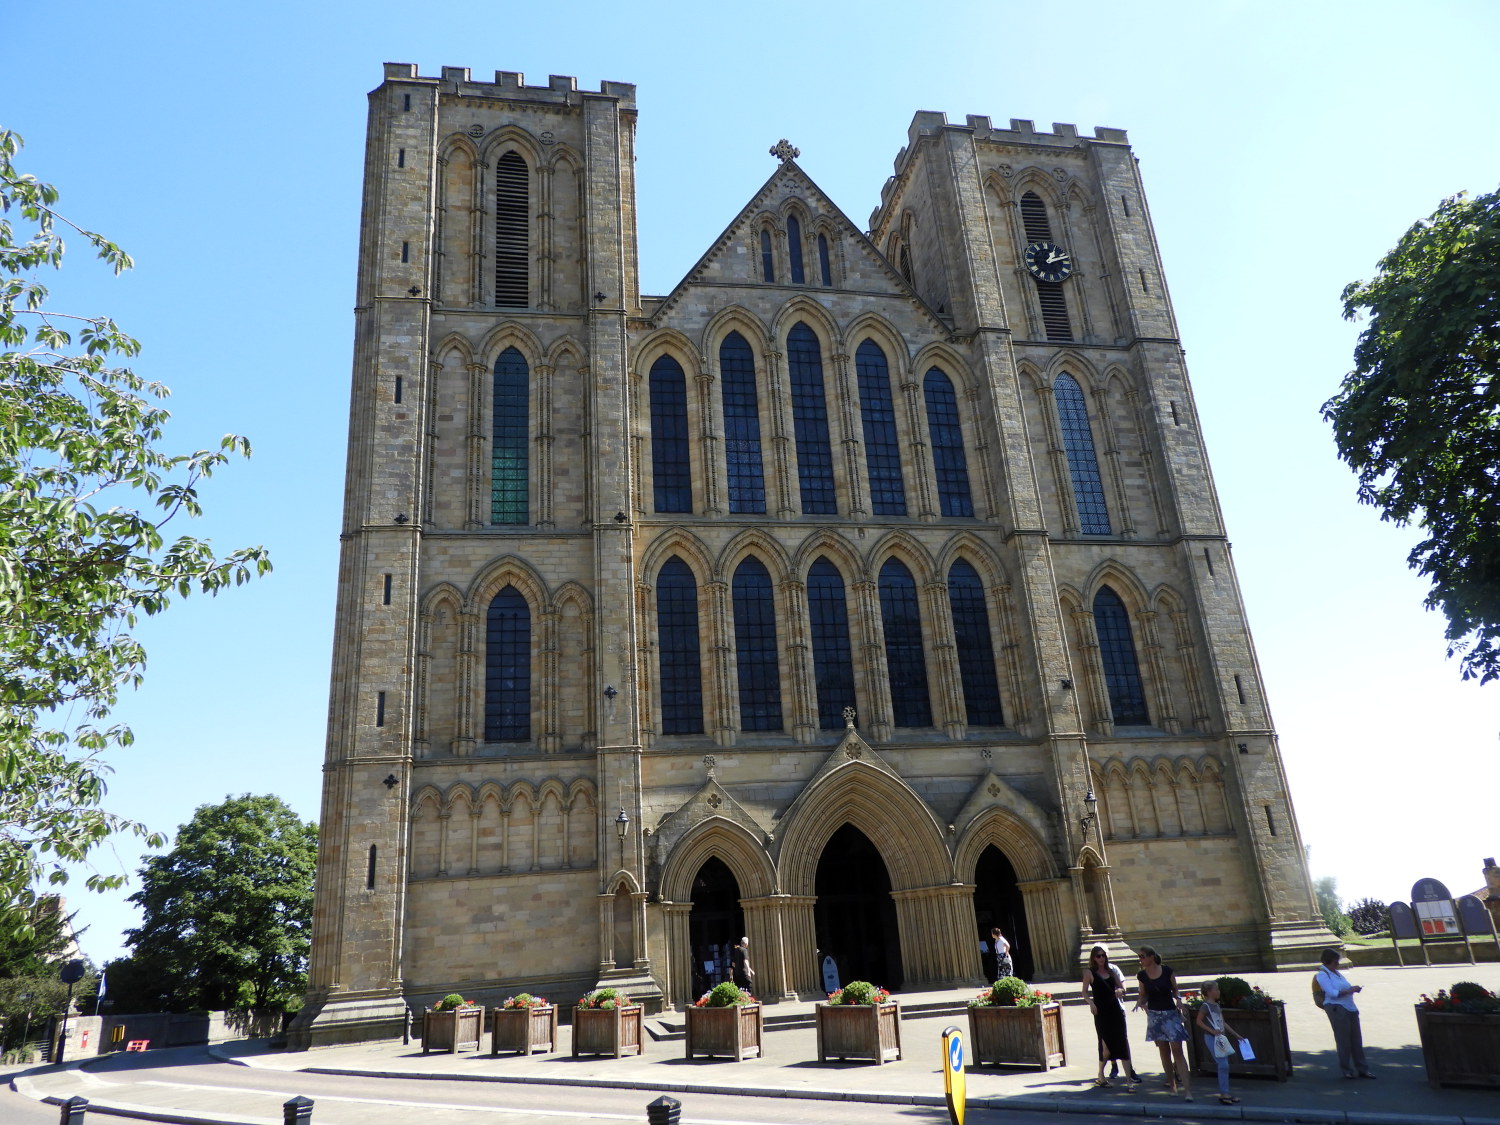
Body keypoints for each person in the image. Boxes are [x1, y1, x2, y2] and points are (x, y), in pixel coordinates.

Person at [1134, 945, 1192, 1101]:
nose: (1140, 959)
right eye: (1139, 957)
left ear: (1152, 957)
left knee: (1177, 1050)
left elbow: (1175, 990)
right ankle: (1172, 1085)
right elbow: (1143, 995)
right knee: (1164, 1051)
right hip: (1154, 1015)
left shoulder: (1167, 971)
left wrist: (1179, 1000)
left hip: (1170, 1014)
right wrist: (1141, 1003)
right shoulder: (1142, 975)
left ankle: (1187, 1091)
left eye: (1142, 956)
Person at [1082, 944, 1139, 1088]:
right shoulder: (1089, 972)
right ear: (1093, 958)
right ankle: (1101, 1075)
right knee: (1105, 1047)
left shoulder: (1112, 970)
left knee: (1122, 1042)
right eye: (1098, 956)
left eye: (1103, 955)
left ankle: (1129, 1081)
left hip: (1115, 1010)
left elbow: (1121, 986)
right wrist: (1091, 1003)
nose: (1101, 958)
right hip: (1101, 1012)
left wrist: (1120, 990)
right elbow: (1084, 992)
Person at [1316, 947, 1374, 1079]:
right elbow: (1332, 993)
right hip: (1337, 1008)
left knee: (1356, 1039)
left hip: (1350, 1007)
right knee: (1344, 1041)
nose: (1337, 964)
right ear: (1328, 961)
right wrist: (1350, 990)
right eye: (1335, 962)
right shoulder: (1322, 975)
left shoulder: (1336, 973)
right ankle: (1346, 1069)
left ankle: (1362, 1069)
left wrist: (1353, 989)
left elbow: (1343, 987)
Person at [1194, 979, 1244, 1105]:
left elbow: (1223, 1022)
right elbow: (1198, 1021)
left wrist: (1236, 1035)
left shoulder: (1216, 1005)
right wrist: (1211, 1031)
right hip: (1212, 1037)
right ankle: (1224, 1093)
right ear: (1210, 992)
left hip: (1220, 1038)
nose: (1218, 991)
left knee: (1224, 1064)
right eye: (1216, 989)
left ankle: (1225, 1092)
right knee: (1222, 1064)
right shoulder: (1205, 1006)